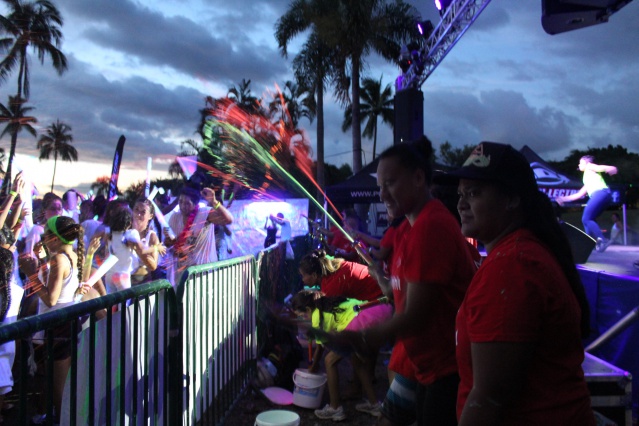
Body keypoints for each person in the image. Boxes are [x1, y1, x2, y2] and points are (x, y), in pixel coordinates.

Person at [438, 142, 594, 425]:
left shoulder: (511, 268)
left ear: (511, 198)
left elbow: (488, 398)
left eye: (474, 193)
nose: (460, 204)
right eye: (460, 194)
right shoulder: (519, 253)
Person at [339, 136, 478, 426]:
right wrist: (379, 275)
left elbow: (415, 316)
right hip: (424, 366)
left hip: (446, 369)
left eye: (390, 183)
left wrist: (362, 336)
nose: (382, 194)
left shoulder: (431, 225)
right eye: (380, 187)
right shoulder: (409, 229)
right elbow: (397, 293)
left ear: (418, 178)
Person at [21, 216, 91, 424]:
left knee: (59, 387)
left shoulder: (59, 259)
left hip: (58, 326)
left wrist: (30, 274)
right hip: (66, 323)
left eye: (46, 235)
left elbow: (51, 299)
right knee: (58, 381)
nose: (42, 239)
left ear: (55, 238)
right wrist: (42, 263)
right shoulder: (71, 254)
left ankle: (62, 420)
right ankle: (55, 417)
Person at [292, 289, 392, 421]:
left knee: (329, 360)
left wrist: (313, 367)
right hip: (378, 310)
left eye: (302, 315)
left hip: (361, 323)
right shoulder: (327, 302)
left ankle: (335, 408)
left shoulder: (317, 318)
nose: (303, 319)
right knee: (357, 362)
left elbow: (321, 348)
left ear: (308, 309)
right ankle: (375, 405)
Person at [164, 186, 233, 284]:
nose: (183, 206)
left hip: (203, 273)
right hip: (183, 273)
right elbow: (169, 243)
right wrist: (170, 242)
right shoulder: (175, 217)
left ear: (195, 204)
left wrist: (214, 201)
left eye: (187, 203)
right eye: (180, 201)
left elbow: (228, 220)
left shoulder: (204, 214)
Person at [556, 155, 617, 252]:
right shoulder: (588, 179)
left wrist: (612, 168)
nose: (579, 165)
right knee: (588, 220)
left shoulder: (589, 167)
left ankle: (603, 240)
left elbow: (600, 167)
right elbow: (578, 195)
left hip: (601, 193)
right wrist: (563, 199)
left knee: (586, 218)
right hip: (604, 196)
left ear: (587, 163)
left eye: (580, 163)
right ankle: (589, 242)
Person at [298, 249, 383, 302]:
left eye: (303, 276)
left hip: (382, 297)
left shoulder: (330, 287)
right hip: (383, 283)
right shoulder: (337, 265)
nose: (302, 280)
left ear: (314, 275)